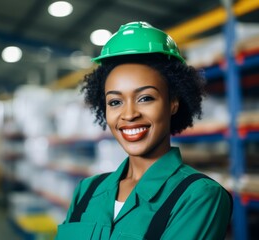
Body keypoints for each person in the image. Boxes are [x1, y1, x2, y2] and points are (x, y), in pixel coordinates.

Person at [55, 22, 232, 239]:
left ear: (173, 103)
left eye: (145, 98)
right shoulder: (87, 190)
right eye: (115, 102)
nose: (129, 114)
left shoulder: (199, 196)